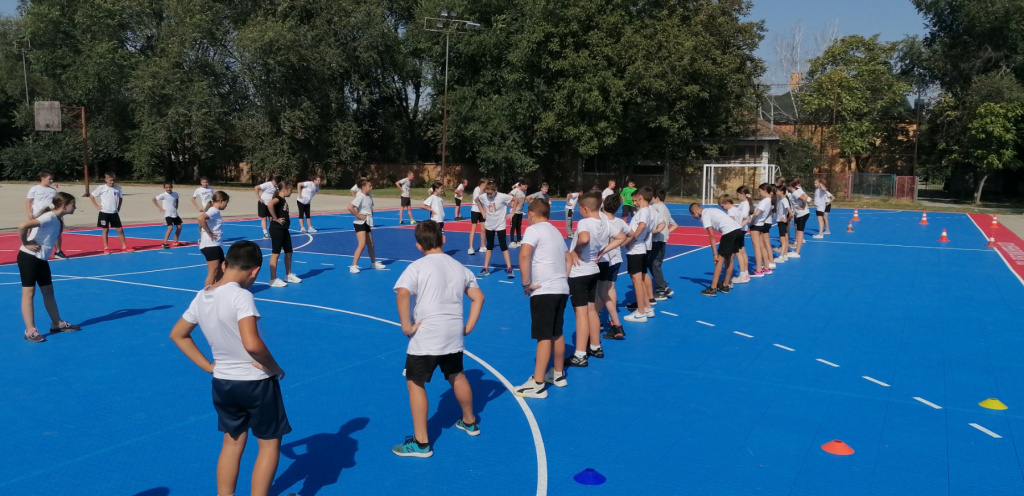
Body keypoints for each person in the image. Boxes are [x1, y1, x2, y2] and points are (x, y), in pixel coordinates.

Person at [169, 240, 290, 496]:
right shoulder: (241, 296)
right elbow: (252, 344)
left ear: (224, 265)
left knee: (232, 443)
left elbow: (178, 334)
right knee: (269, 444)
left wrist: (209, 366)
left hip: (223, 382)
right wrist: (274, 367)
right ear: (255, 271)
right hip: (256, 382)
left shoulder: (202, 296)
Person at [393, 221, 484, 457]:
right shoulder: (459, 267)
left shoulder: (417, 267)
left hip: (427, 335)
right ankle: (470, 420)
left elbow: (402, 293)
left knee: (415, 382)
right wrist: (468, 327)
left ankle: (421, 442)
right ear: (443, 239)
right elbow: (478, 297)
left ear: (418, 245)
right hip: (453, 332)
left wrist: (406, 326)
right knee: (457, 375)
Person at [515, 199, 570, 398]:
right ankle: (558, 374)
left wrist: (526, 283)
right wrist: (563, 277)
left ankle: (537, 384)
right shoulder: (556, 231)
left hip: (544, 290)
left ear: (531, 213)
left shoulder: (533, 229)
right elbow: (569, 257)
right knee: (557, 332)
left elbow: (524, 255)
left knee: (544, 336)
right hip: (561, 288)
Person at [565, 193, 624, 367]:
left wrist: (575, 251)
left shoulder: (585, 223)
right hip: (593, 269)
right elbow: (621, 237)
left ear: (585, 209)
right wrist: (604, 250)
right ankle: (595, 346)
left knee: (581, 313)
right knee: (591, 310)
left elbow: (584, 238)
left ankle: (580, 354)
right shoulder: (605, 223)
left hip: (579, 272)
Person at [17, 192, 81, 343]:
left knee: (48, 291)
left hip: (41, 259)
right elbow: (22, 226)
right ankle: (30, 331)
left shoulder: (57, 220)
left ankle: (56, 323)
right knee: (29, 293)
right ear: (64, 205)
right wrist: (25, 242)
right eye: (73, 204)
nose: (75, 207)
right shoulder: (49, 217)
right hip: (28, 258)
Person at [690, 202, 743, 297]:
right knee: (730, 259)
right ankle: (725, 285)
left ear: (695, 212)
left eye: (693, 215)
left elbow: (711, 235)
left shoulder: (705, 215)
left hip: (729, 233)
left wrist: (715, 254)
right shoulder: (712, 210)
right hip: (738, 231)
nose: (694, 217)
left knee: (719, 261)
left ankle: (713, 288)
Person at [598, 195, 632, 340]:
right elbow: (631, 234)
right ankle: (611, 319)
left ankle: (599, 319)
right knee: (610, 287)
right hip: (616, 258)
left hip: (603, 259)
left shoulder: (600, 219)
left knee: (599, 290)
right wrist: (621, 244)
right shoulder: (619, 222)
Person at [622, 187, 655, 323]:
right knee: (639, 280)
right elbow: (648, 230)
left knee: (636, 281)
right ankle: (647, 307)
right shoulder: (650, 211)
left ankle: (640, 312)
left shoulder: (643, 211)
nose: (634, 203)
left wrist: (631, 239)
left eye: (636, 200)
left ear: (641, 197)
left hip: (636, 249)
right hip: (640, 248)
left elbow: (641, 226)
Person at [476, 181, 518, 279]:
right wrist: (482, 211)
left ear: (495, 190)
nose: (489, 195)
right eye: (487, 193)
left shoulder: (502, 196)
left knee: (503, 246)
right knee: (489, 246)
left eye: (491, 193)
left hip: (500, 225)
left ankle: (509, 268)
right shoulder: (484, 197)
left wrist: (512, 213)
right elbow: (477, 199)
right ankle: (485, 268)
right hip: (489, 225)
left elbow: (515, 199)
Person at [25, 170, 67, 259]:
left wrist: (59, 214)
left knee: (57, 232)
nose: (51, 181)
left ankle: (58, 251)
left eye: (52, 179)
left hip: (51, 215)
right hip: (38, 216)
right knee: (35, 233)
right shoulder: (35, 189)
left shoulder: (53, 190)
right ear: (43, 178)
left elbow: (57, 203)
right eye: (49, 179)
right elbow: (29, 201)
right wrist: (29, 212)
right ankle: (32, 250)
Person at [267, 182, 302, 288]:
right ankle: (273, 278)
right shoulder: (278, 199)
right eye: (290, 190)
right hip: (277, 229)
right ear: (285, 189)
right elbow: (269, 205)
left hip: (284, 229)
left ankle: (288, 275)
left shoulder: (283, 200)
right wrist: (276, 218)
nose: (291, 192)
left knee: (289, 252)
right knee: (276, 253)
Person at [348, 180, 387, 273]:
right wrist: (359, 215)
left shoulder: (369, 196)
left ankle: (373, 263)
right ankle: (353, 266)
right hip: (360, 223)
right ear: (363, 187)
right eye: (369, 186)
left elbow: (370, 208)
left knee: (371, 244)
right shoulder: (360, 196)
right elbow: (350, 207)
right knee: (362, 244)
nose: (371, 188)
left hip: (367, 222)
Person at [90, 172, 133, 254]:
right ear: (106, 180)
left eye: (113, 180)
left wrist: (118, 207)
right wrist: (96, 205)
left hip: (114, 212)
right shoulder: (101, 188)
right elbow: (91, 196)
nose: (112, 182)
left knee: (120, 229)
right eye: (110, 180)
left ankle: (124, 246)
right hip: (104, 212)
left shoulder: (118, 188)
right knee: (105, 229)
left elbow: (120, 198)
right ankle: (106, 248)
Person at [649, 190, 678, 300]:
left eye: (652, 198)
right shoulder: (666, 209)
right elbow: (675, 225)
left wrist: (656, 230)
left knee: (654, 264)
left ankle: (661, 290)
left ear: (656, 198)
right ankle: (664, 286)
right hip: (663, 239)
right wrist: (666, 231)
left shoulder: (655, 207)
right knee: (652, 263)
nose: (651, 200)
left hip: (656, 239)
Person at [198, 191, 230, 287]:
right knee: (213, 272)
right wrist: (210, 233)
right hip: (210, 245)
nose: (226, 205)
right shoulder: (214, 211)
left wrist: (202, 227)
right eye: (226, 202)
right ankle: (207, 292)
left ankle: (218, 290)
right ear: (221, 201)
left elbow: (202, 222)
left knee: (221, 270)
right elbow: (201, 218)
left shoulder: (213, 211)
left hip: (216, 245)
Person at [719, 195, 750, 284]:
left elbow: (730, 220)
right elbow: (748, 218)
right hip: (739, 231)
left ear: (727, 203)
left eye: (722, 206)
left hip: (733, 233)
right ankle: (745, 273)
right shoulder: (738, 210)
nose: (723, 208)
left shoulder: (730, 211)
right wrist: (740, 225)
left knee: (737, 253)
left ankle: (742, 275)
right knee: (741, 252)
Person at [749, 183, 776, 277]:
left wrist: (751, 221)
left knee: (756, 247)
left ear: (764, 191)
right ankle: (767, 268)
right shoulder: (770, 201)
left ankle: (758, 270)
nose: (759, 193)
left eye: (760, 191)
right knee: (762, 246)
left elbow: (757, 213)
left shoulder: (764, 201)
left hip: (756, 224)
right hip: (761, 224)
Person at [153, 183, 183, 249]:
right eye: (167, 187)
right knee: (170, 227)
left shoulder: (175, 194)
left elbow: (177, 200)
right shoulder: (163, 195)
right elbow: (154, 199)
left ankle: (175, 241)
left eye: (170, 187)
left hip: (174, 213)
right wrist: (160, 208)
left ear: (172, 187)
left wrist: (176, 207)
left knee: (179, 227)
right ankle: (165, 242)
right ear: (164, 188)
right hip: (167, 213)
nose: (168, 189)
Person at [787, 179, 811, 258]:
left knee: (800, 233)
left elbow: (805, 198)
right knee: (798, 231)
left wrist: (803, 206)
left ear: (790, 186)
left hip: (802, 214)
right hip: (799, 214)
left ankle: (797, 252)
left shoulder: (795, 193)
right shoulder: (795, 192)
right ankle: (796, 251)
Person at [468, 178, 488, 254]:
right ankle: (470, 247)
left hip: (482, 211)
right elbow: (478, 199)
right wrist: (481, 191)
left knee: (483, 229)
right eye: (486, 184)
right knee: (474, 228)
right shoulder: (476, 189)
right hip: (475, 210)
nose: (486, 186)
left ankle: (482, 246)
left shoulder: (485, 191)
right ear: (482, 184)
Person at [773, 186, 793, 264]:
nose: (776, 192)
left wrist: (787, 220)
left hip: (782, 222)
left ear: (782, 191)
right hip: (781, 221)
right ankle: (784, 255)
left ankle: (781, 256)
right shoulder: (781, 199)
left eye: (777, 191)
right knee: (785, 238)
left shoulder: (784, 200)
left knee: (782, 239)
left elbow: (791, 213)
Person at [509, 181, 529, 247]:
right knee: (513, 226)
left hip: (520, 211)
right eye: (525, 186)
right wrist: (510, 204)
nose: (526, 188)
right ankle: (512, 241)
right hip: (514, 212)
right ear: (521, 185)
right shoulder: (516, 190)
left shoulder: (523, 191)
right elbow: (508, 196)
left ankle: (519, 240)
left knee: (518, 226)